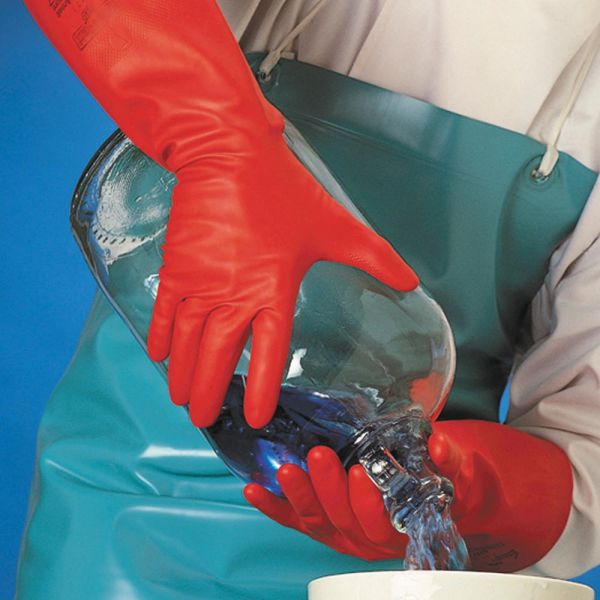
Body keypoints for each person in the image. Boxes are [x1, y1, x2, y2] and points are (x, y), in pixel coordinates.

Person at [16, 0, 600, 598]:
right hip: (133, 531)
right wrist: (218, 142)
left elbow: (587, 453)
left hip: (398, 566)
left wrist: (474, 488)